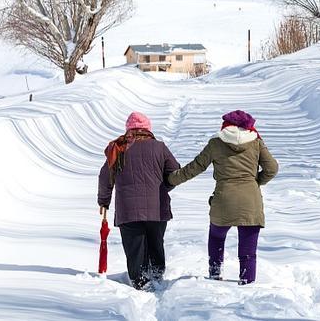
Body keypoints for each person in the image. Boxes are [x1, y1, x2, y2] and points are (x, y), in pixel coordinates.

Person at [167, 110, 278, 285]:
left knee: (217, 237)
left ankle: (215, 274)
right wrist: (255, 183)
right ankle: (247, 281)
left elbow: (195, 167)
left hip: (223, 201)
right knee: (248, 250)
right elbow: (272, 168)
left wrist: (171, 179)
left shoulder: (216, 143)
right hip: (251, 202)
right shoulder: (256, 143)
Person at [98, 112, 179, 290]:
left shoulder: (118, 148)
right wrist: (162, 188)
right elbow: (175, 172)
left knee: (135, 246)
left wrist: (104, 201)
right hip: (157, 207)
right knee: (156, 242)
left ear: (128, 129)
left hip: (128, 209)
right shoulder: (159, 147)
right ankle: (157, 273)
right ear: (148, 129)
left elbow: (105, 177)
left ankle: (139, 280)